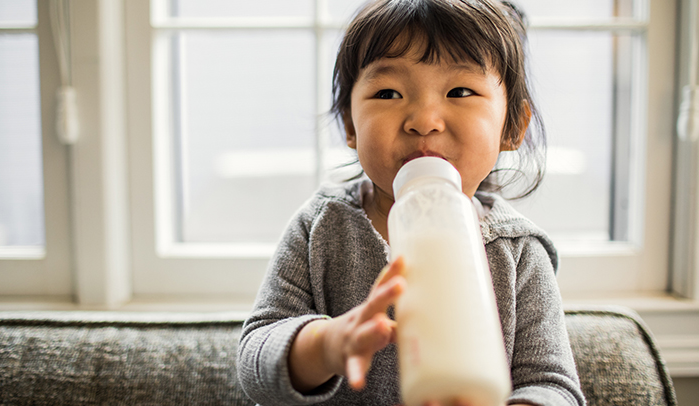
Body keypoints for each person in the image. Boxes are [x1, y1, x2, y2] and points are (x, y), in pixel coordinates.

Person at [237, 0, 586, 405]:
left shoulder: (519, 252)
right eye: (388, 93)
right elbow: (254, 362)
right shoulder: (321, 226)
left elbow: (554, 386)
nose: (424, 120)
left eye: (460, 91)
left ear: (513, 128)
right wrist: (328, 343)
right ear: (350, 125)